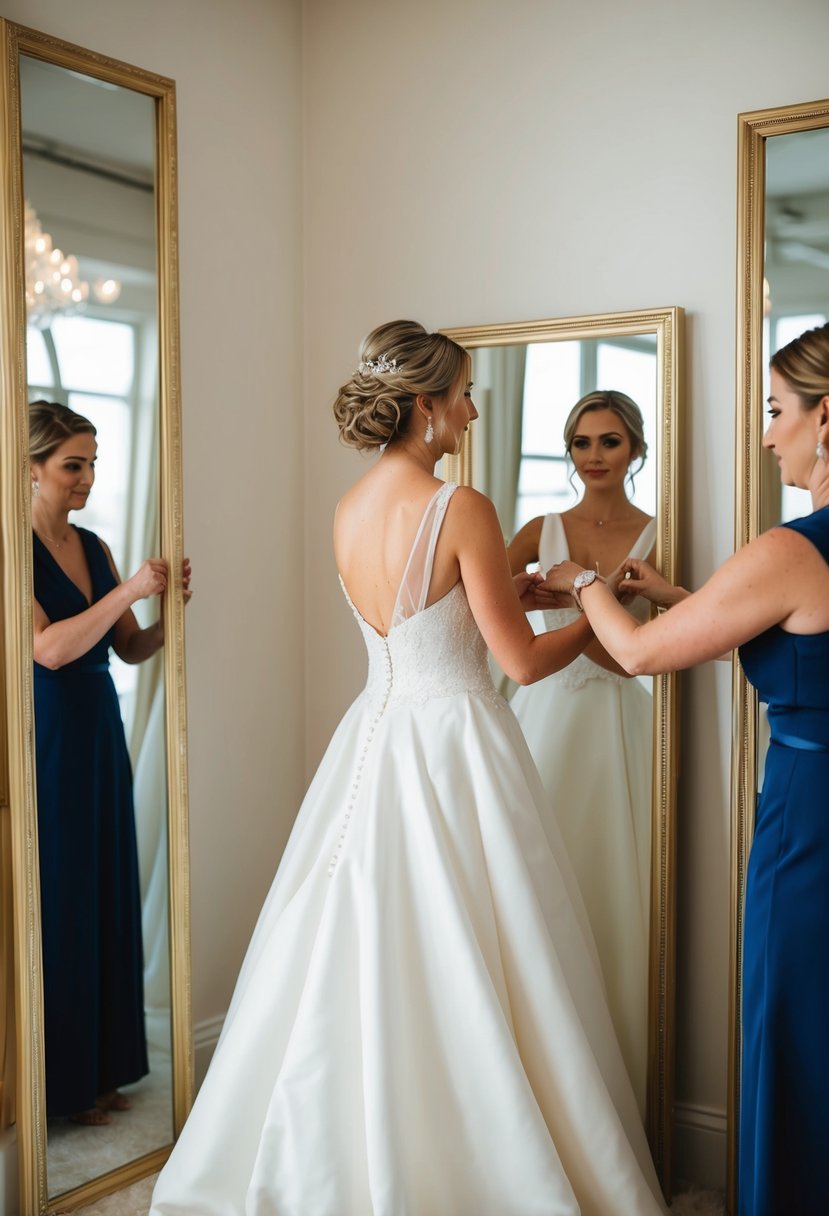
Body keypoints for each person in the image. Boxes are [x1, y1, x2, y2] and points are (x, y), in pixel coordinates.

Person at [150, 322, 666, 1215]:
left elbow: (424, 614)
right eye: (463, 395)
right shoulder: (460, 505)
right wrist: (595, 598)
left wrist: (525, 593)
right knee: (482, 943)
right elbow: (523, 666)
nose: (471, 411)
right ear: (427, 408)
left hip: (375, 736)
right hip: (456, 741)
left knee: (358, 934)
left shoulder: (349, 507)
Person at [543, 322, 829, 1216]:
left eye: (777, 410)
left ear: (827, 419)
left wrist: (582, 583)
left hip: (808, 820)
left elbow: (634, 657)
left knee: (798, 1020)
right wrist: (675, 596)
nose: (765, 431)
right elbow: (790, 642)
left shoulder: (791, 548)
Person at [30, 400, 189, 1125]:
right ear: (30, 469)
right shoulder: (10, 546)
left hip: (99, 726)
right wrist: (129, 591)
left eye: (93, 463)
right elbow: (52, 649)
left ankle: (103, 1071)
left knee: (104, 886)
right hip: (48, 732)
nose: (88, 477)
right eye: (73, 465)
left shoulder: (94, 546)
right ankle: (59, 1084)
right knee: (60, 897)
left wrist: (168, 618)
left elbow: (125, 647)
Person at [507, 389, 656, 1117]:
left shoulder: (655, 530)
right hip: (544, 710)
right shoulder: (542, 526)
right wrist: (530, 596)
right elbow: (479, 598)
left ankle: (609, 1071)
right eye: (580, 443)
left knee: (607, 872)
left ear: (634, 449)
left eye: (608, 442)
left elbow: (670, 624)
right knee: (534, 869)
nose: (593, 457)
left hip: (616, 719)